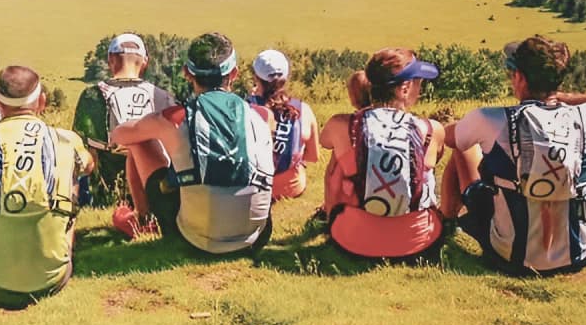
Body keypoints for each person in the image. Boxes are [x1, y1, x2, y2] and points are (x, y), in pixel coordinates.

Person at [441, 36, 586, 275]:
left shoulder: (490, 119)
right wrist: (561, 98)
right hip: (578, 255)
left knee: (462, 145)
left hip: (510, 256)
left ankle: (446, 224)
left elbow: (449, 136)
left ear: (520, 78)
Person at [0, 65, 93, 306]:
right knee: (71, 172)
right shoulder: (67, 140)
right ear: (41, 101)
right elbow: (89, 166)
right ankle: (61, 250)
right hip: (53, 279)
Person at [110, 32, 275, 255]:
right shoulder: (262, 116)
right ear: (234, 74)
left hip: (195, 241)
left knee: (139, 143)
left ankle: (142, 219)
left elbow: (120, 135)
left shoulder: (174, 118)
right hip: (257, 236)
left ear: (187, 73)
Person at [317, 49, 446, 260]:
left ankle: (330, 215)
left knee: (340, 158)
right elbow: (435, 159)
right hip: (419, 241)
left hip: (353, 240)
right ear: (404, 88)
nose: (420, 89)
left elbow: (324, 141)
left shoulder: (342, 125)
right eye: (418, 82)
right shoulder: (431, 130)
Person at [72, 32, 178, 237]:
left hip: (105, 194)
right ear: (144, 63)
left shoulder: (92, 96)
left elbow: (84, 152)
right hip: (156, 186)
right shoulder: (162, 96)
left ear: (111, 60)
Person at [247, 49, 320, 201]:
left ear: (255, 77)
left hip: (253, 187)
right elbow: (313, 156)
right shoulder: (303, 110)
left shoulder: (245, 110)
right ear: (286, 78)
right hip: (291, 187)